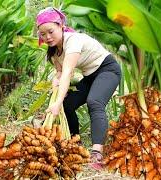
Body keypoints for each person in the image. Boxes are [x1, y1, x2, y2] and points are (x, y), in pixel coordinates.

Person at [36, 7, 121, 170]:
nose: (47, 37)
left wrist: (57, 102)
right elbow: (61, 71)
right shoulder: (54, 51)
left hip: (108, 70)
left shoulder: (73, 41)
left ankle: (97, 154)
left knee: (94, 101)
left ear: (61, 25)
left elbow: (68, 73)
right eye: (43, 34)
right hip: (90, 76)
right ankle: (75, 144)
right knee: (68, 105)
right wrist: (56, 80)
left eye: (50, 31)